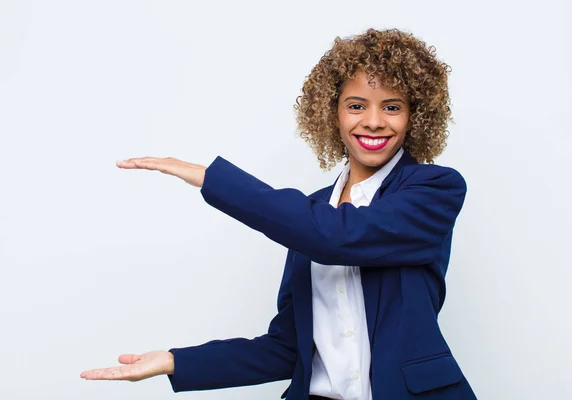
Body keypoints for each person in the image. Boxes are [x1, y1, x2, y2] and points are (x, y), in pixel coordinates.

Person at [80, 28, 477, 400]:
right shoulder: (309, 214)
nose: (373, 121)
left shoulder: (433, 190)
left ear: (415, 116)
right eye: (356, 105)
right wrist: (173, 360)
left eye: (392, 106)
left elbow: (337, 237)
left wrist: (212, 180)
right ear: (332, 112)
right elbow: (289, 348)